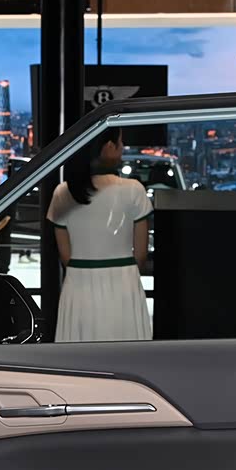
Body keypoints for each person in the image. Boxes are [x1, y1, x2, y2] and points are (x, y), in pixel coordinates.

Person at [46, 126, 151, 342]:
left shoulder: (62, 192)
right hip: (124, 282)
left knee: (78, 351)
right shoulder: (134, 189)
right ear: (109, 147)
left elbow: (65, 256)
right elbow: (140, 254)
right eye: (120, 143)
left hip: (78, 284)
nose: (122, 148)